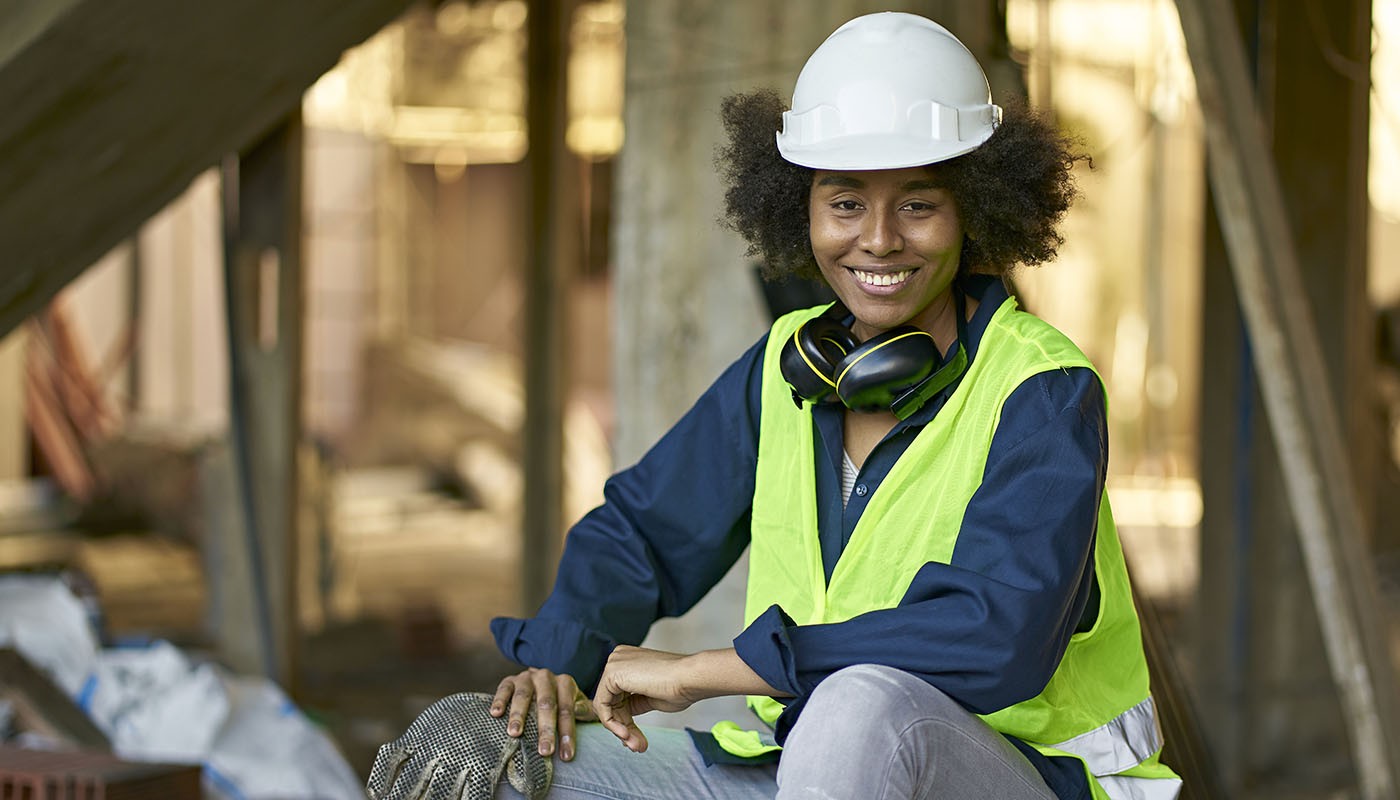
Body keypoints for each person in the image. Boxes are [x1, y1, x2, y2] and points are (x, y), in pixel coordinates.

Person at [374, 11, 1182, 800]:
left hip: (1013, 774)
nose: (877, 239)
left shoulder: (1040, 388)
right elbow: (642, 533)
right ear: (801, 210)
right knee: (510, 771)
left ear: (976, 210)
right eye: (844, 202)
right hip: (805, 767)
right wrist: (555, 667)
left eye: (918, 204)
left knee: (858, 707)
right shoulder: (786, 367)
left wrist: (703, 673)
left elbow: (991, 636)